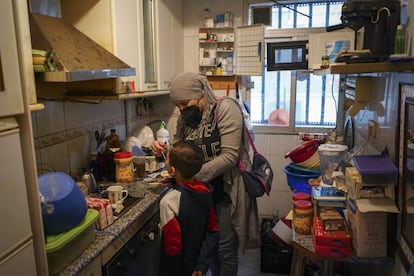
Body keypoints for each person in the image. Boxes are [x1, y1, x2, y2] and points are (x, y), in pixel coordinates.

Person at [152, 72, 259, 276]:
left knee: (225, 251)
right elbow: (178, 148)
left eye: (185, 103)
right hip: (202, 194)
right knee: (208, 249)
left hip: (226, 191)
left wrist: (189, 177)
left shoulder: (226, 109)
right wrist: (163, 150)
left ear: (200, 94)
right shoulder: (187, 117)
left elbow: (230, 156)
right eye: (178, 105)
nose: (182, 110)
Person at [159, 140, 219, 276]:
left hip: (178, 269)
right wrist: (202, 264)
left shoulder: (168, 202)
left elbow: (173, 246)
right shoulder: (205, 192)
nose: (165, 159)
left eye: (167, 157)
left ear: (172, 170)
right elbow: (213, 231)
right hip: (196, 265)